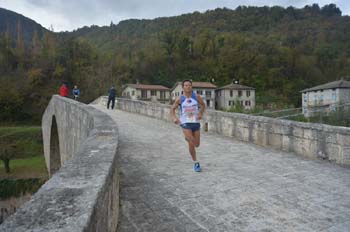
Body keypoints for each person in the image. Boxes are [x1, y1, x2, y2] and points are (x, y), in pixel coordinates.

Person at [171, 79, 206, 172]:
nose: (188, 87)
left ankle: (188, 138)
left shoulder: (197, 97)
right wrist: (174, 118)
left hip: (195, 122)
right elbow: (172, 109)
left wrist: (200, 113)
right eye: (186, 85)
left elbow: (203, 105)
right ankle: (196, 163)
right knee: (191, 141)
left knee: (197, 144)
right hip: (185, 122)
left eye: (189, 85)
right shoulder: (180, 99)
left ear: (191, 87)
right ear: (183, 87)